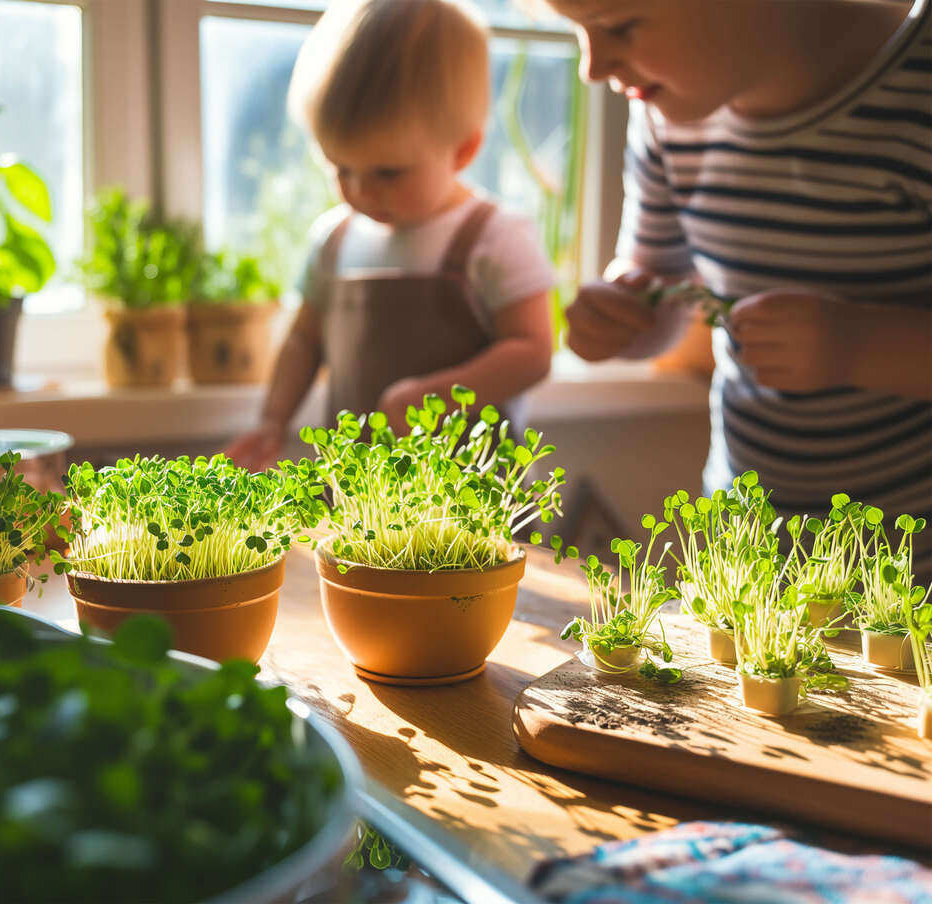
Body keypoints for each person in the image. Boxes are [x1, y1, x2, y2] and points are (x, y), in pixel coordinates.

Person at [538, 0, 932, 573]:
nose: (592, 69)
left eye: (619, 25)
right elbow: (661, 280)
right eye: (577, 31)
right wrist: (629, 313)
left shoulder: (917, 90)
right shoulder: (664, 112)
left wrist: (860, 347)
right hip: (743, 545)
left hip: (910, 567)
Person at [225, 0, 557, 473]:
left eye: (387, 172)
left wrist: (437, 397)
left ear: (462, 150)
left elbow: (533, 352)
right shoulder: (334, 239)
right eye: (340, 167)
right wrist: (273, 418)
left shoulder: (495, 238)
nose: (360, 190)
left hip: (468, 500)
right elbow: (304, 338)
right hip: (357, 492)